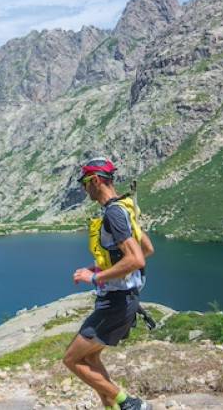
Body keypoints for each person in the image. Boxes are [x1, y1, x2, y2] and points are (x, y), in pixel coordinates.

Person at [65, 157, 151, 410]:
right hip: (125, 300)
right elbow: (147, 248)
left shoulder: (113, 213)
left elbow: (135, 258)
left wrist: (94, 277)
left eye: (84, 183)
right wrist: (104, 267)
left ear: (96, 181)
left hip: (117, 302)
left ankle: (130, 404)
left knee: (71, 359)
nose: (83, 189)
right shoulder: (123, 209)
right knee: (90, 356)